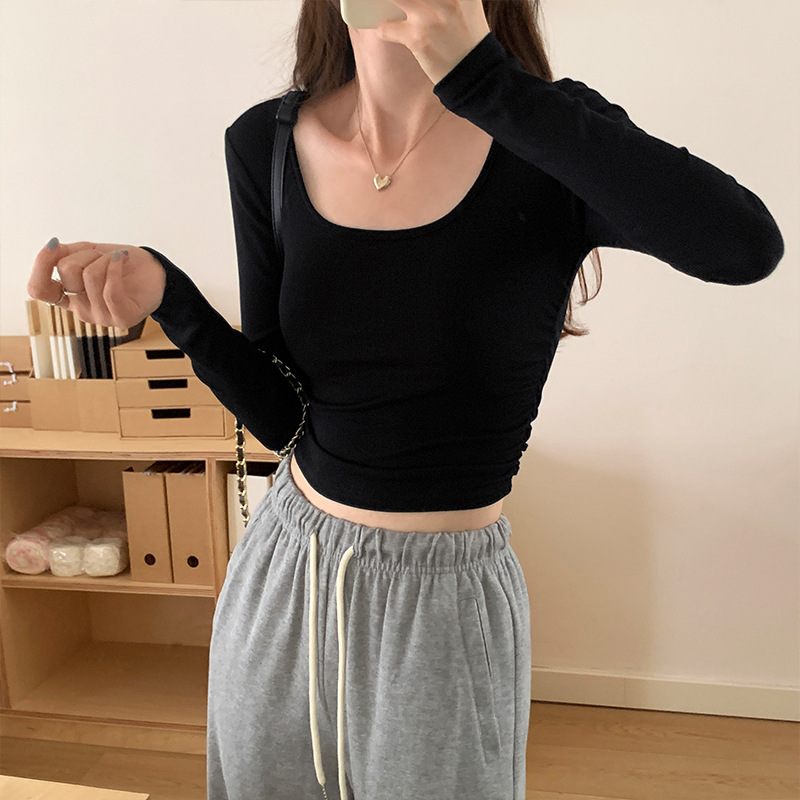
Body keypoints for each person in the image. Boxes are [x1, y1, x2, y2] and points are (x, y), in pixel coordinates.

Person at [27, 0, 785, 798]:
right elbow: (285, 417)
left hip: (443, 602)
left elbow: (742, 246)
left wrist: (485, 82)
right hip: (285, 572)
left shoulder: (543, 131)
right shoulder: (265, 144)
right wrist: (172, 298)